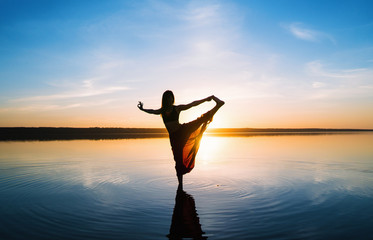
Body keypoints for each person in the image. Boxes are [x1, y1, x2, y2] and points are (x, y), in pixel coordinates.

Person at [137, 90, 224, 190]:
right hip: (174, 138)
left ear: (172, 99)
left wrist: (205, 99)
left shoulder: (177, 108)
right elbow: (152, 111)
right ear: (165, 99)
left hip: (182, 131)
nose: (169, 99)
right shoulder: (162, 111)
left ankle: (218, 105)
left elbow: (192, 104)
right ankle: (180, 185)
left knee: (199, 121)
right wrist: (142, 109)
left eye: (171, 97)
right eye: (167, 97)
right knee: (178, 160)